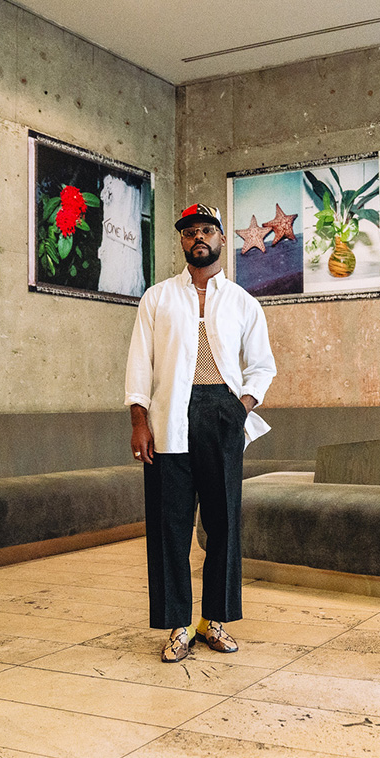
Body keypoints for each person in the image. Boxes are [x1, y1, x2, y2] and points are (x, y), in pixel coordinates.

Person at [125, 203, 276, 663]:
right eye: (190, 232)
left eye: (207, 230)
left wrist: (240, 407)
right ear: (182, 241)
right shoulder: (157, 298)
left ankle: (215, 620)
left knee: (223, 521)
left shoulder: (243, 303)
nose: (198, 238)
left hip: (222, 414)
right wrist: (138, 420)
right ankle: (177, 624)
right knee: (169, 524)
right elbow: (139, 361)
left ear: (222, 239)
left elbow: (263, 365)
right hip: (169, 416)